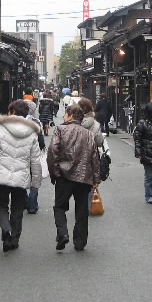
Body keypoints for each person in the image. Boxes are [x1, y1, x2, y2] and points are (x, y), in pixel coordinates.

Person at [0, 99, 42, 251]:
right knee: (17, 209)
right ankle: (14, 240)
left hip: (2, 175)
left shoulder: (0, 128)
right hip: (21, 177)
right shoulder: (32, 133)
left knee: (1, 205)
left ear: (12, 112)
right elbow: (35, 160)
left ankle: (6, 228)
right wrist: (36, 183)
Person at [47, 103, 101, 251]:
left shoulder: (60, 130)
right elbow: (95, 158)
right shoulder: (88, 134)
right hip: (84, 176)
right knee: (82, 210)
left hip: (64, 176)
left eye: (66, 114)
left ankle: (63, 233)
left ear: (71, 116)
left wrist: (54, 172)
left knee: (59, 207)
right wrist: (96, 179)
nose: (64, 117)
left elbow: (52, 152)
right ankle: (80, 241)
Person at [134, 102, 152, 204]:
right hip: (147, 154)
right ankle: (150, 195)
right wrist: (139, 153)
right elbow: (137, 139)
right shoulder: (142, 123)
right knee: (149, 176)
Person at [23, 97, 46, 214]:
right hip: (34, 153)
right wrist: (42, 148)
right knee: (34, 179)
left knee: (21, 177)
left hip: (20, 154)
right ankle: (32, 205)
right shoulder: (36, 122)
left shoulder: (17, 121)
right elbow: (41, 139)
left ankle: (24, 201)